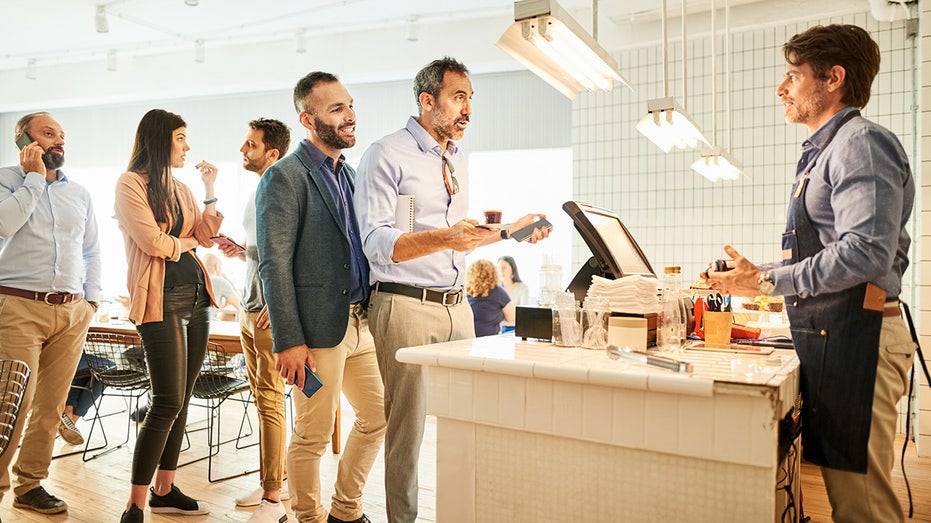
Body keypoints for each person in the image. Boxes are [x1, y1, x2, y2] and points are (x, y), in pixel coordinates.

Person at [704, 24, 915, 522]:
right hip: (838, 334)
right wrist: (759, 273)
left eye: (793, 76)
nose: (782, 88)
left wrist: (768, 283)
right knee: (848, 495)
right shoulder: (825, 150)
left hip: (862, 337)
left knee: (863, 506)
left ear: (833, 78)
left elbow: (865, 253)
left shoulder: (860, 144)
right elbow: (828, 249)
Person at [354, 56, 551, 523]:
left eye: (470, 99)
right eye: (458, 97)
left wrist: (512, 232)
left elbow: (460, 232)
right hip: (404, 303)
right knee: (408, 429)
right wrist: (446, 237)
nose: (467, 109)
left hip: (456, 305)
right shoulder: (386, 154)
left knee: (467, 418)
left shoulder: (455, 157)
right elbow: (378, 243)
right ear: (428, 100)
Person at [256, 71, 386, 523]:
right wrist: (289, 339)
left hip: (360, 323)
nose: (349, 116)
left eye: (349, 105)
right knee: (311, 436)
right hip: (315, 333)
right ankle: (309, 518)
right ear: (307, 119)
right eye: (336, 109)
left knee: (379, 415)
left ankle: (345, 510)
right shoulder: (283, 178)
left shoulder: (349, 174)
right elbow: (273, 263)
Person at [114, 108, 223, 523]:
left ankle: (164, 490)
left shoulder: (179, 187)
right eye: (180, 138)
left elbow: (206, 234)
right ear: (160, 140)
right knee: (167, 401)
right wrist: (189, 242)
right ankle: (135, 504)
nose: (187, 146)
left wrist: (210, 188)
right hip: (161, 301)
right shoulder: (129, 185)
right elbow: (153, 242)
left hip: (197, 298)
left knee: (182, 399)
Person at [0, 112, 101, 515]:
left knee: (51, 405)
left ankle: (30, 485)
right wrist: (33, 178)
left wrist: (90, 302)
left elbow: (92, 250)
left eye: (61, 135)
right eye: (47, 133)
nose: (58, 140)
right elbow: (4, 225)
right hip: (18, 306)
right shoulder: (7, 180)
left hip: (72, 312)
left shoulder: (79, 193)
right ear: (24, 140)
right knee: (10, 404)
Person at [216, 117, 293, 522]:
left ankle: (273, 497)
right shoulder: (258, 191)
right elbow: (263, 252)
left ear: (272, 153)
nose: (243, 151)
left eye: (250, 145)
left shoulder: (282, 191)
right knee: (263, 399)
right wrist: (239, 249)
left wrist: (280, 304)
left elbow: (295, 254)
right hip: (248, 309)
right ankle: (272, 480)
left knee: (269, 401)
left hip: (267, 315)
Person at [60, 354, 106, 446]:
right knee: (110, 369)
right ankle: (72, 419)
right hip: (68, 359)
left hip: (62, 361)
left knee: (86, 371)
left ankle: (68, 413)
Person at [466, 259, 515, 337]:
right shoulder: (498, 292)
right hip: (490, 340)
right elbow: (511, 318)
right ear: (493, 273)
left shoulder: (467, 291)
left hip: (468, 339)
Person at [202, 252, 241, 321]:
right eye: (220, 267)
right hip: (210, 323)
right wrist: (228, 281)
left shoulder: (198, 278)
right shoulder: (219, 281)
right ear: (216, 266)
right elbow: (240, 305)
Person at [497, 255, 529, 333]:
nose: (501, 271)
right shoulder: (496, 289)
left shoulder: (523, 288)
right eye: (498, 268)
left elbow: (523, 314)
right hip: (498, 329)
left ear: (512, 269)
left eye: (504, 268)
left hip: (516, 328)